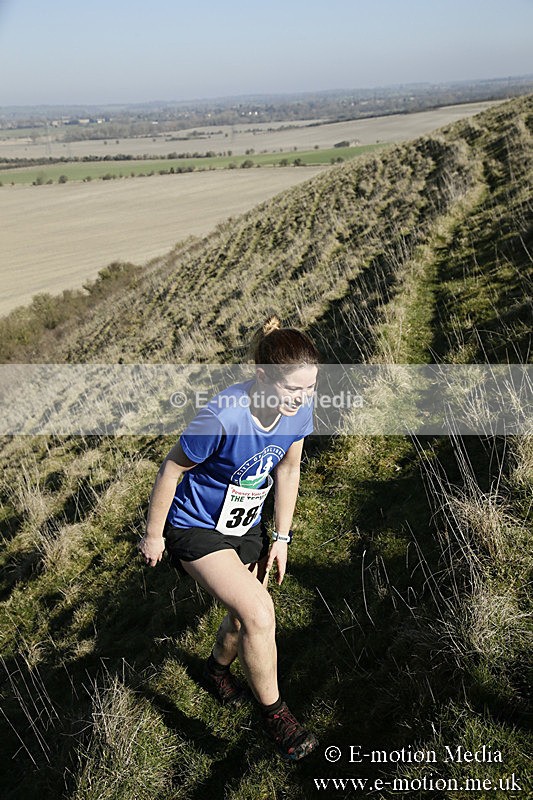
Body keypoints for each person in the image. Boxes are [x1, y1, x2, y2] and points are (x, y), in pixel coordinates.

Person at [139, 316, 320, 761]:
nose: (303, 399)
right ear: (262, 376)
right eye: (293, 389)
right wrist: (153, 534)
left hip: (245, 525)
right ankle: (276, 717)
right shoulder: (222, 415)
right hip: (195, 527)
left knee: (241, 621)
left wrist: (282, 537)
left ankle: (215, 670)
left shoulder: (300, 410)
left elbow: (288, 469)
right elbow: (171, 469)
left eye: (311, 387)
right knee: (259, 611)